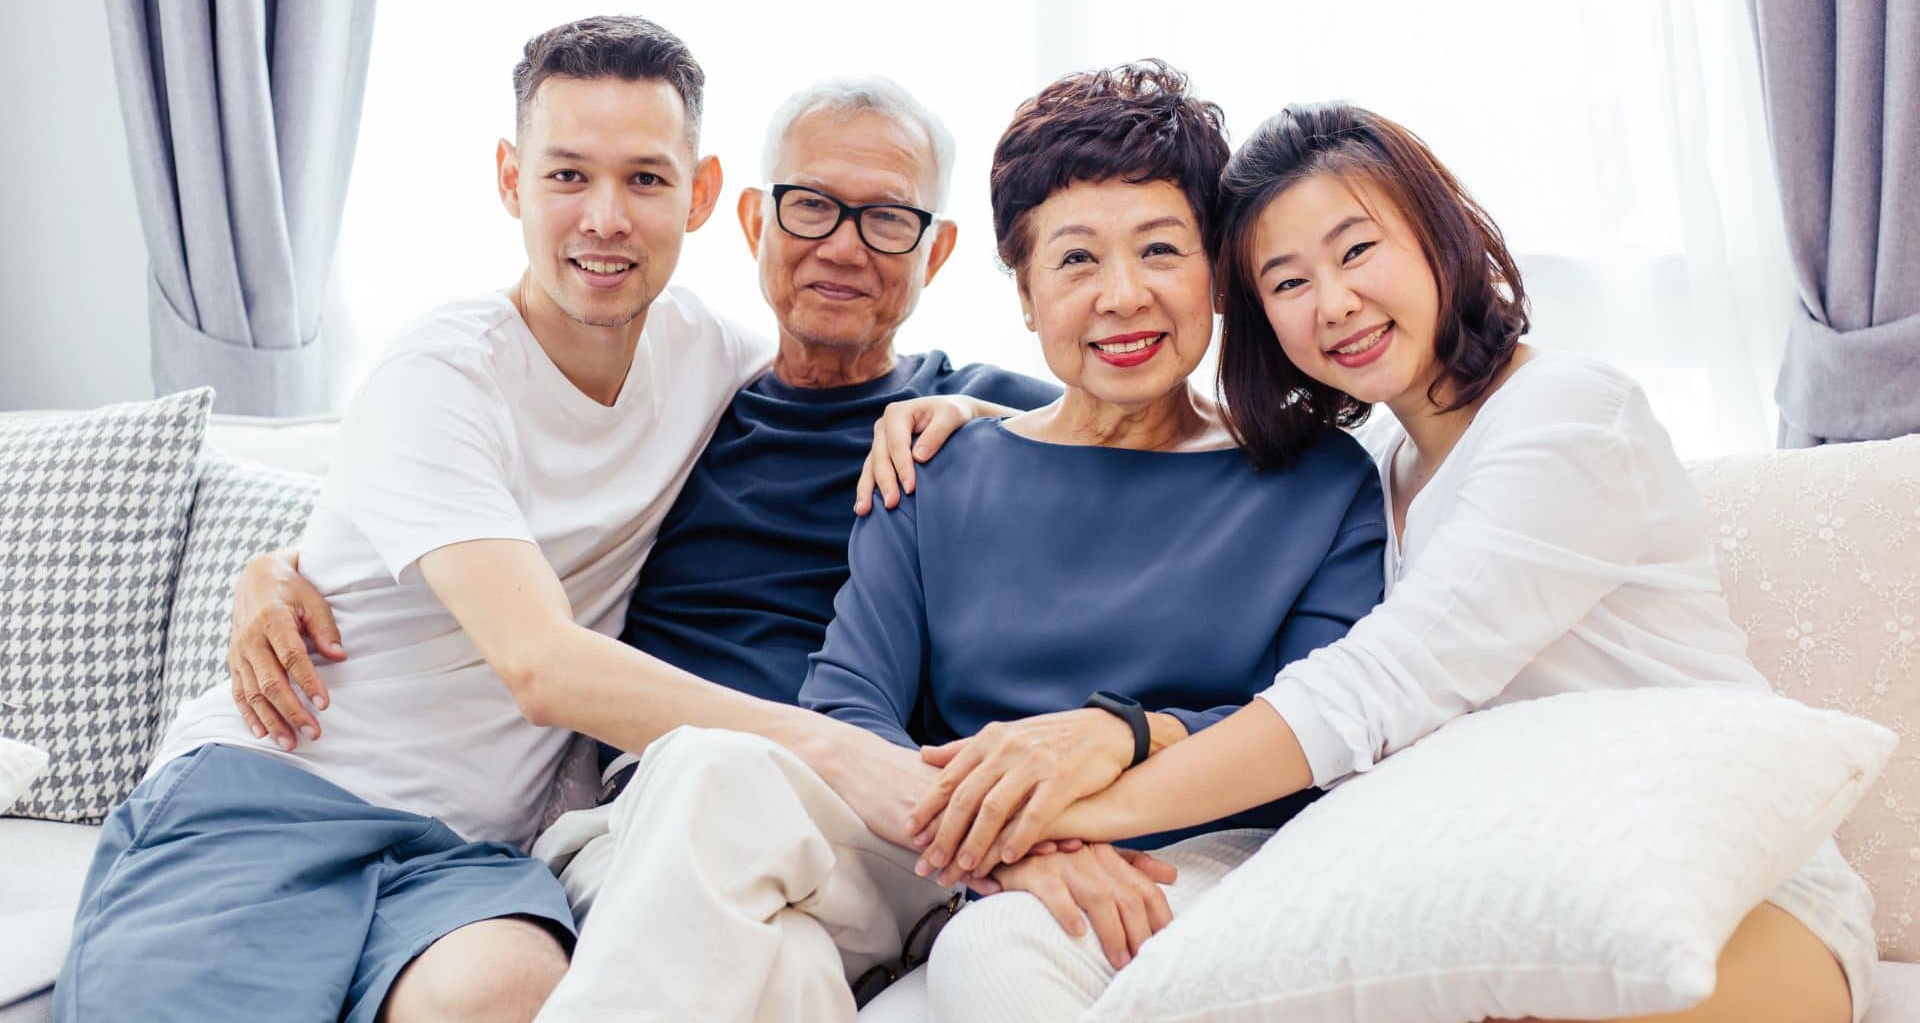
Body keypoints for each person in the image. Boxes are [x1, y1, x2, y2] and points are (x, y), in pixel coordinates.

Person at [893, 101, 1878, 1022]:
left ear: (1437, 237)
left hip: (1728, 884)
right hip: (1505, 888)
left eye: (1357, 250)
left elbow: (1370, 690)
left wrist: (1055, 814)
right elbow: (1125, 415)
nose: (1335, 304)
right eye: (1287, 283)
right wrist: (987, 420)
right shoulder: (1381, 461)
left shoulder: (1568, 417)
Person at [53, 15, 887, 1023]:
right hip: (269, 795)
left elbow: (860, 378)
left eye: (646, 180)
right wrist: (833, 752)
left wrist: (958, 412)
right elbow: (539, 664)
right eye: (568, 175)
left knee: (508, 994)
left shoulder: (714, 356)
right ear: (511, 179)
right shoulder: (441, 372)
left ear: (701, 195)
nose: (605, 218)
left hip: (463, 857)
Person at [539, 60, 1388, 1023]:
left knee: (869, 968)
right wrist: (1004, 842)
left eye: (1160, 251)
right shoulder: (935, 464)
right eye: (1074, 260)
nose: (1121, 296)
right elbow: (848, 704)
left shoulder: (1321, 483)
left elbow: (1311, 729)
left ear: (1217, 273)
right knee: (705, 767)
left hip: (1179, 855)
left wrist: (1106, 760)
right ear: (1023, 294)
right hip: (937, 848)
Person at [220, 76, 1056, 1017]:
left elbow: (1185, 436)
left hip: (856, 810)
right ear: (751, 221)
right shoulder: (697, 391)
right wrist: (274, 565)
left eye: (886, 220)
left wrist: (980, 415)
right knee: (784, 969)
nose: (841, 247)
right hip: (632, 815)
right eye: (811, 206)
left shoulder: (982, 415)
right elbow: (450, 503)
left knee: (715, 769)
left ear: (937, 250)